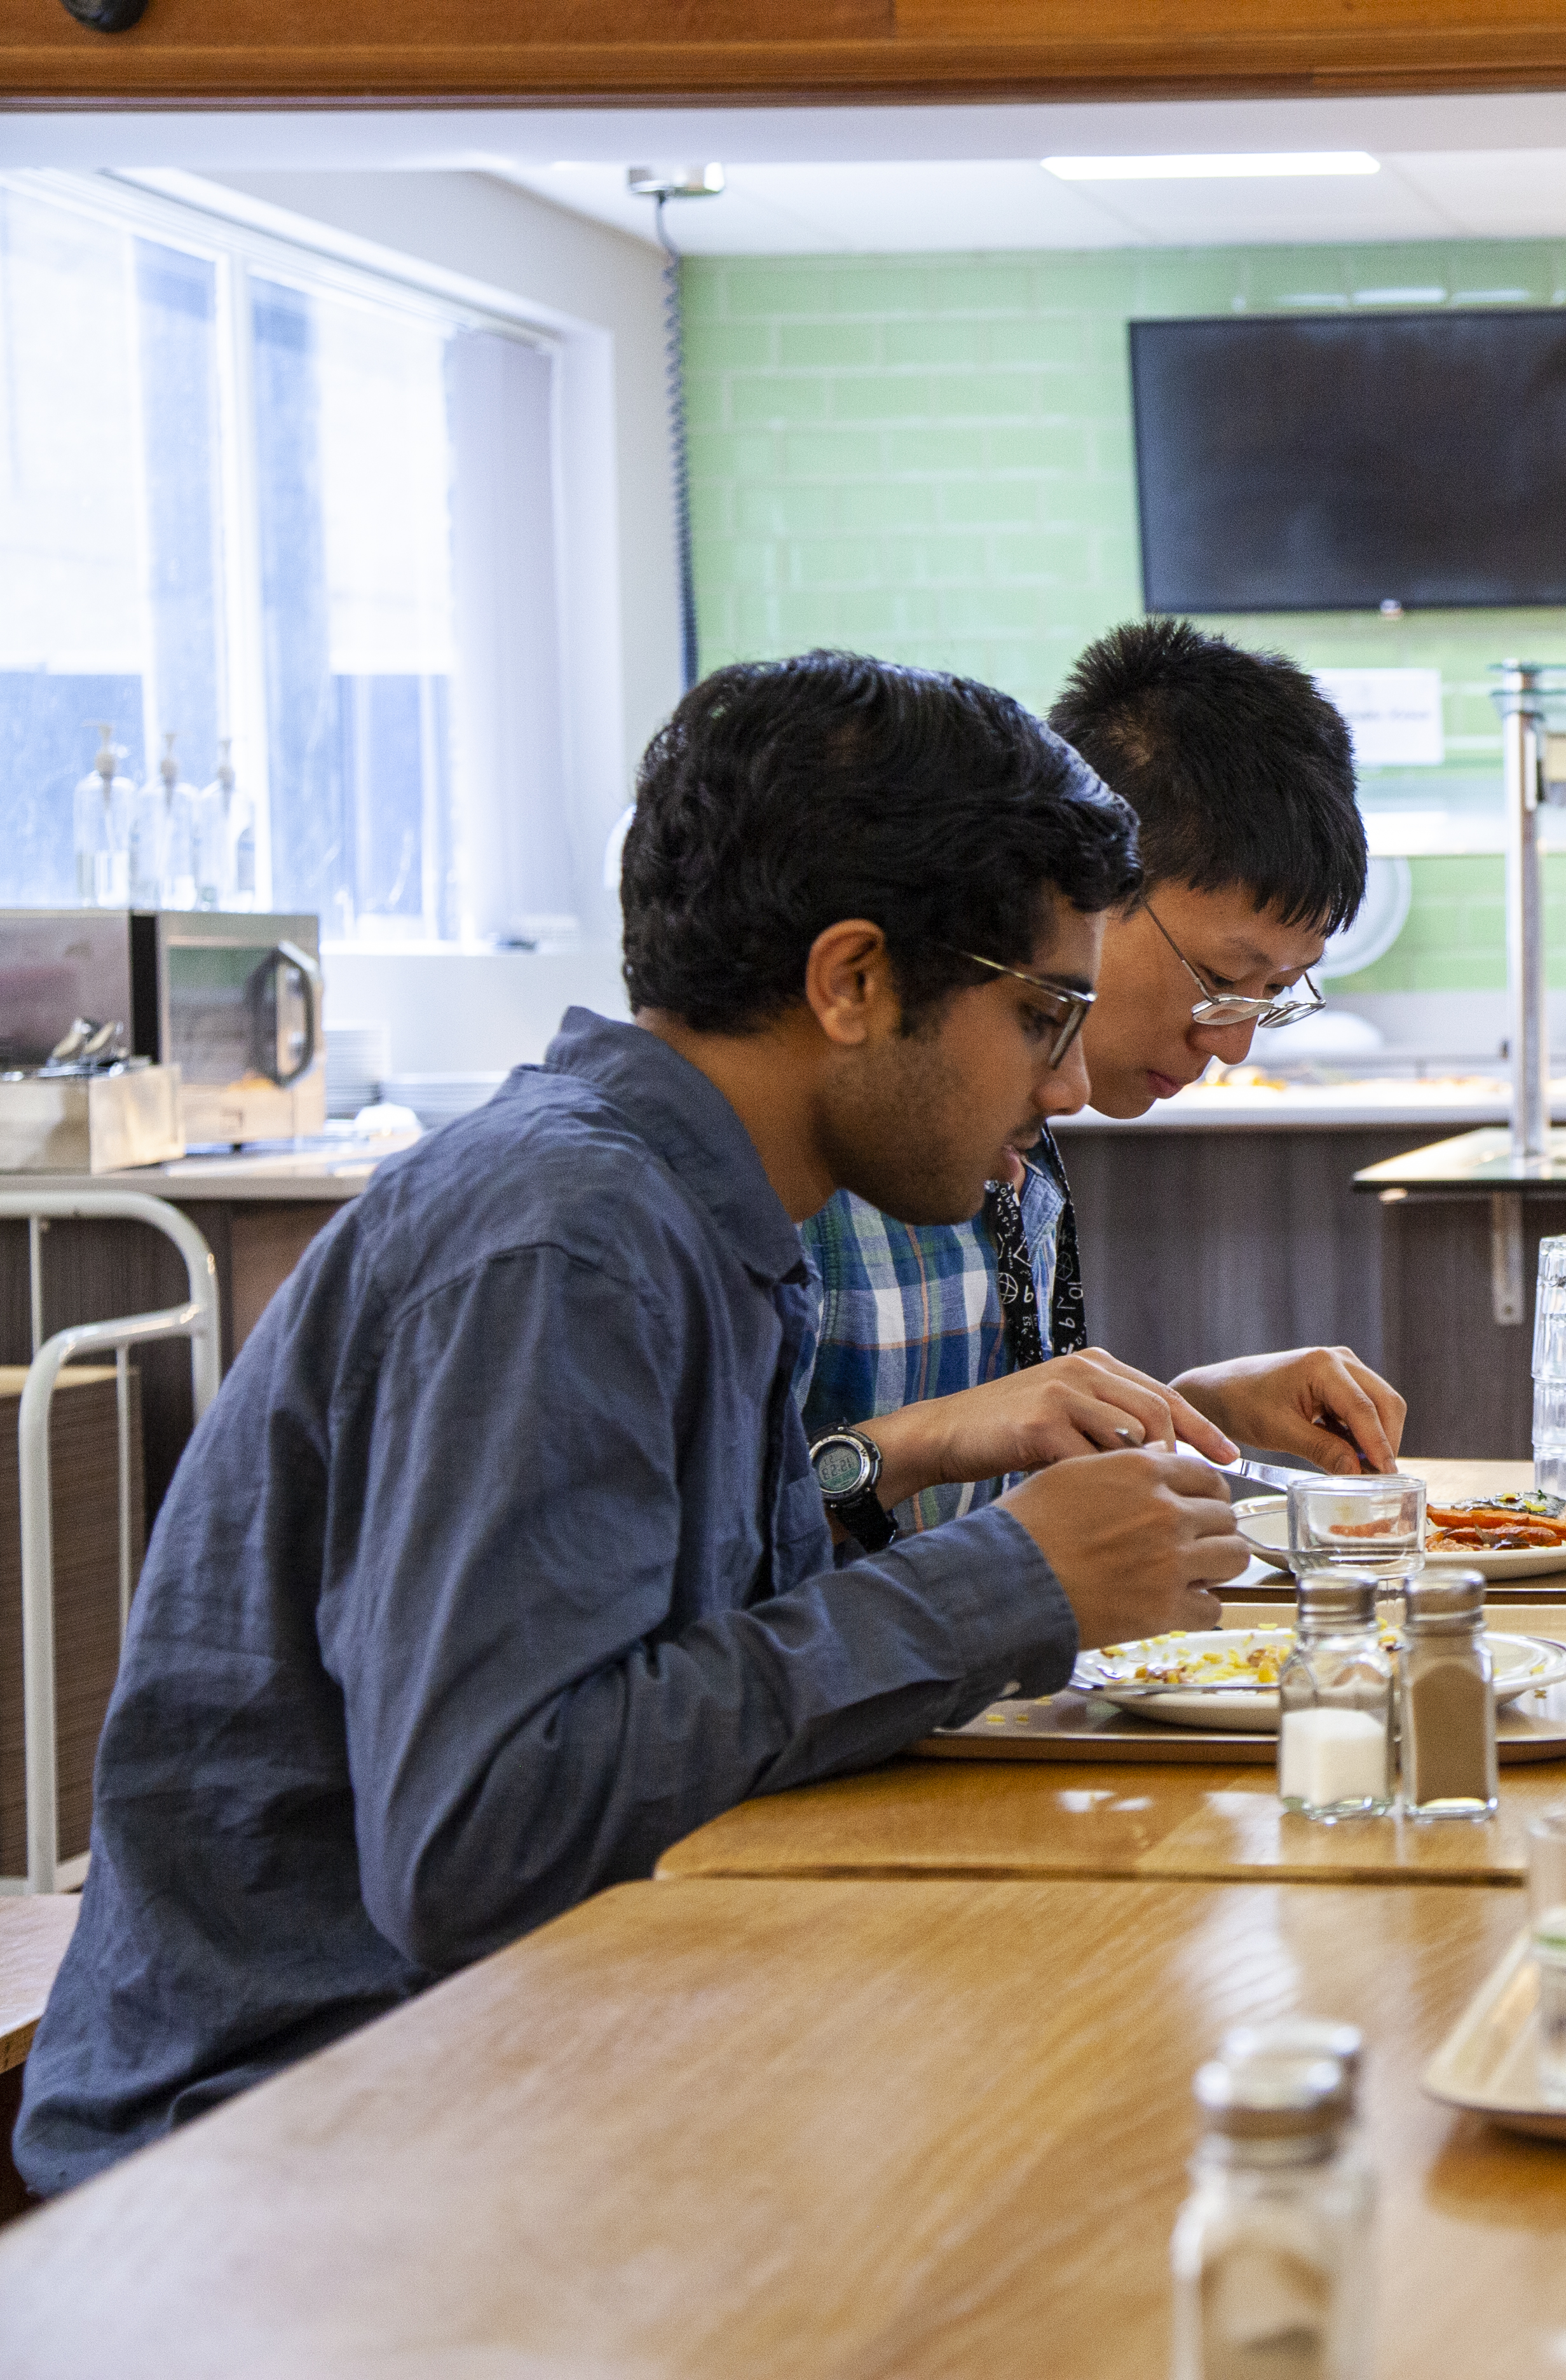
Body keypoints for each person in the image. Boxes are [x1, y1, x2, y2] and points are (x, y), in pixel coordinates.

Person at [15, 652, 1249, 2194]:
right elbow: (484, 1840)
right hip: (295, 2148)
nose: (1065, 1080)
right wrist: (1009, 1581)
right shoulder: (564, 1238)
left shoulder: (697, 1218)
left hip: (534, 2056)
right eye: (1039, 1014)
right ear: (853, 981)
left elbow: (697, 1696)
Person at [800, 620, 1407, 1551]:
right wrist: (927, 1446)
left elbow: (992, 1464)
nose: (1236, 1044)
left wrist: (1189, 1404)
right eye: (1221, 979)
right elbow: (716, 1569)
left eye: (1277, 996)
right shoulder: (818, 1145)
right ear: (1083, 887)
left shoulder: (1024, 1135)